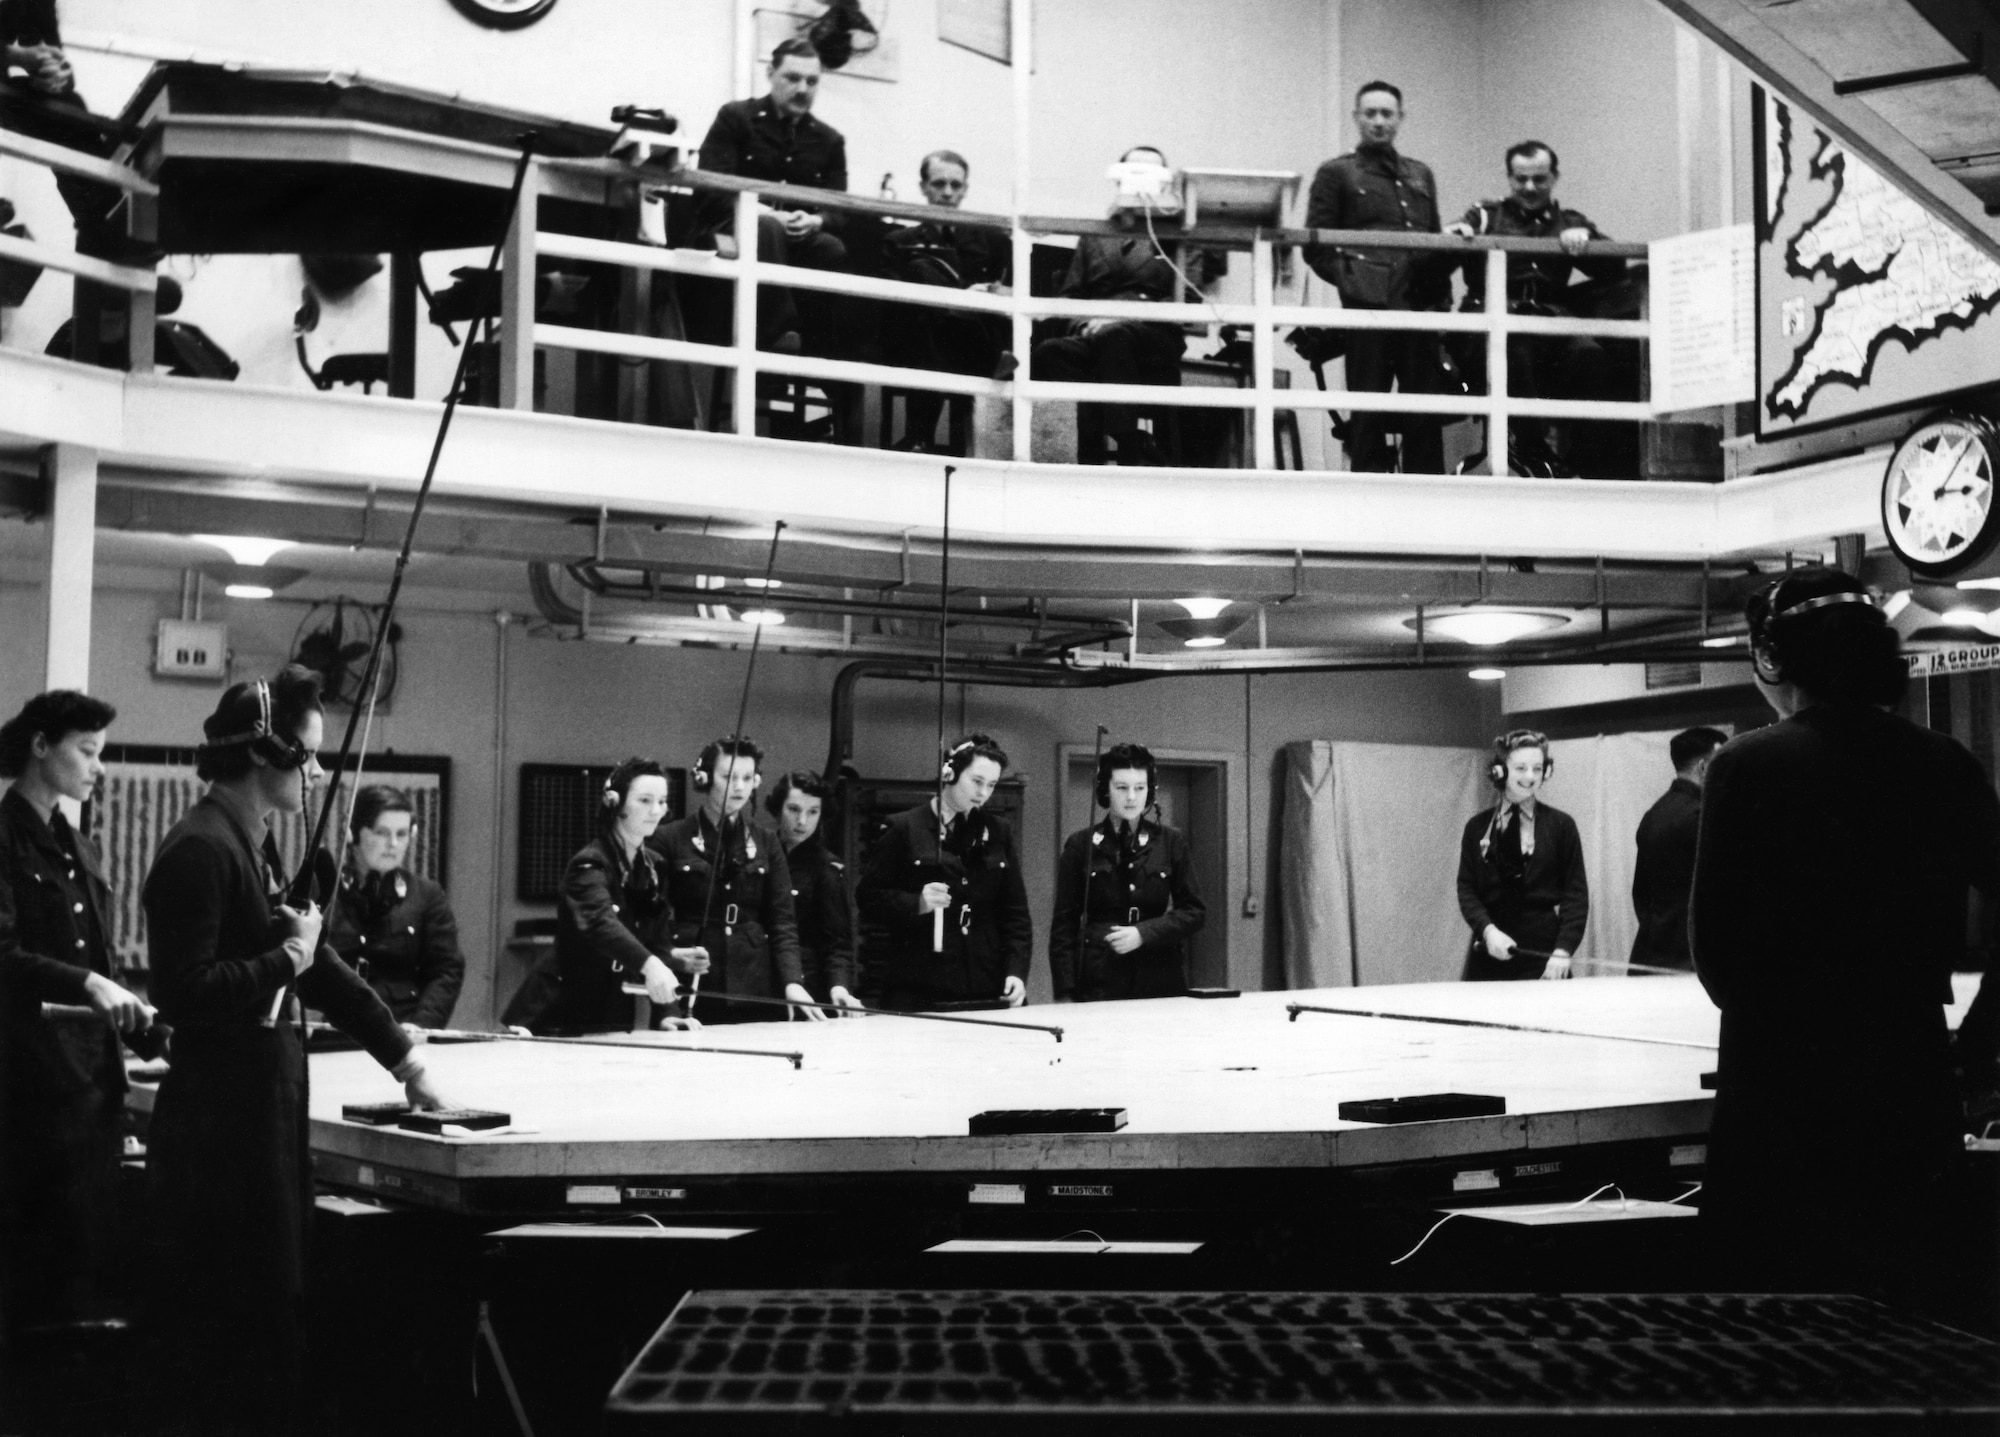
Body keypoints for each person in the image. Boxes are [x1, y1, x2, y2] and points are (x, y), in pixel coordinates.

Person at [141, 668, 447, 1433]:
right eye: (306, 757)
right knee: (232, 1341)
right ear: (262, 756)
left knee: (279, 1322)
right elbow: (186, 991)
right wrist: (288, 960)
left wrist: (406, 1061)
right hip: (219, 1139)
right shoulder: (199, 850)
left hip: (265, 1122)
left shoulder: (256, 844)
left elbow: (322, 970)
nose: (314, 773)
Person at [1690, 567, 1996, 1303]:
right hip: (1909, 1086)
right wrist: (1976, 1046)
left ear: (1773, 657)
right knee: (1914, 1337)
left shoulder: (1745, 766)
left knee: (1776, 1343)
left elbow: (1715, 953)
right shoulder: (1945, 763)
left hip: (1779, 1098)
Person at [0, 691, 150, 1348]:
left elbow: (103, 957)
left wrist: (140, 1024)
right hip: (29, 1082)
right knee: (36, 1272)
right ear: (41, 746)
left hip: (90, 1080)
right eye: (86, 751)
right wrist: (88, 984)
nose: (100, 768)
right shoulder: (4, 838)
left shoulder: (78, 847)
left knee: (90, 1255)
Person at [1444, 140, 1626, 474]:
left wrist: (1587, 242)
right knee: (1515, 341)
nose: (1529, 187)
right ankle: (1531, 445)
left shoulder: (1568, 221)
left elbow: (1616, 268)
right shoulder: (1485, 215)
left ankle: (1586, 463)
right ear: (1510, 178)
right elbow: (1436, 263)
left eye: (1539, 179)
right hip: (1491, 322)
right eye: (1521, 179)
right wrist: (1455, 238)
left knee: (1592, 356)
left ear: (1554, 178)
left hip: (1549, 322)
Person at [1304, 81, 1450, 474]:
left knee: (1425, 406)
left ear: (1401, 118)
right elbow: (1316, 246)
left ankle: (1429, 496)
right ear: (1357, 118)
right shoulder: (1337, 173)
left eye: (1387, 113)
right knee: (1368, 405)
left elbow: (1433, 240)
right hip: (1367, 307)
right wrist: (1357, 281)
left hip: (1418, 304)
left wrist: (1442, 299)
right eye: (1370, 113)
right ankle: (1366, 496)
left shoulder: (1420, 174)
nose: (1379, 121)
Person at [1031, 145, 1190, 466]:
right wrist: (1086, 320)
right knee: (1051, 352)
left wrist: (1118, 316)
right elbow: (1070, 295)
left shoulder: (1178, 238)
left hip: (1152, 334)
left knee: (1114, 338)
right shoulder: (1095, 236)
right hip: (1095, 330)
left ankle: (1125, 442)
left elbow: (1187, 295)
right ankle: (1103, 449)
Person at [529, 757, 710, 1035]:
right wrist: (651, 967)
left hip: (613, 1009)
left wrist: (668, 1012)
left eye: (661, 801)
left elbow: (657, 942)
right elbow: (601, 923)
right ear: (616, 803)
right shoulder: (589, 863)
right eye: (645, 800)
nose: (656, 811)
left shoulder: (654, 866)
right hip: (561, 1008)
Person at [695, 37, 849, 353]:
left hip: (794, 244)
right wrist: (766, 214)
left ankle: (821, 358)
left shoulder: (829, 140)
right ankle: (778, 336)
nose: (803, 89)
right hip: (730, 233)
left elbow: (840, 209)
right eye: (792, 78)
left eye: (812, 81)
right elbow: (711, 192)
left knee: (832, 248)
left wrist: (815, 221)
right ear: (770, 73)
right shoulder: (736, 117)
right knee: (766, 228)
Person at [857, 733, 1032, 1010]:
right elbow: (868, 898)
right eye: (976, 781)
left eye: (991, 785)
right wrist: (916, 902)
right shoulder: (904, 828)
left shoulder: (998, 832)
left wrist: (1016, 972)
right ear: (950, 774)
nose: (983, 793)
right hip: (921, 985)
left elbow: (1015, 914)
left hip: (986, 982)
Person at [651, 736, 815, 1024]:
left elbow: (783, 921)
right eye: (728, 777)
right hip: (693, 978)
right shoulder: (671, 837)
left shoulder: (766, 842)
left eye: (747, 777)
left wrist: (793, 981)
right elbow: (652, 917)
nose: (739, 787)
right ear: (704, 779)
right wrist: (670, 955)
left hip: (753, 980)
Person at [1049, 742, 1206, 1002]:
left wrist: (1143, 933)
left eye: (1140, 788)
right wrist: (1064, 993)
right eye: (1122, 788)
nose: (1132, 797)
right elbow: (1063, 925)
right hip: (1099, 981)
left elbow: (1195, 912)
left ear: (1150, 791)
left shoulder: (1170, 841)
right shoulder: (1081, 844)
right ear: (1105, 790)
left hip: (1159, 979)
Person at [881, 148, 1013, 453]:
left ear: (965, 189)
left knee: (940, 328)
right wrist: (962, 297)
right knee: (920, 271)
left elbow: (1010, 292)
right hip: (920, 341)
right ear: (924, 187)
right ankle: (926, 436)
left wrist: (990, 291)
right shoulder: (899, 241)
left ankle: (918, 434)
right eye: (939, 184)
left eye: (956, 185)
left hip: (971, 344)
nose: (947, 193)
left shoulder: (991, 240)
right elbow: (892, 303)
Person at [324, 785, 465, 1029]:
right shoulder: (327, 891)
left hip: (402, 1028)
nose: (392, 844)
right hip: (334, 1028)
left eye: (401, 834)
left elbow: (446, 970)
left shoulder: (426, 895)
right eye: (381, 832)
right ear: (352, 832)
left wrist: (423, 1024)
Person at [1456, 729, 1588, 981]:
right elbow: (1467, 889)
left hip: (1546, 955)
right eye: (1521, 768)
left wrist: (1563, 950)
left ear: (1546, 771)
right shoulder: (1477, 828)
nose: (1530, 776)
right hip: (1489, 952)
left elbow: (1576, 895)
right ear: (1500, 771)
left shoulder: (1562, 825)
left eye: (1537, 769)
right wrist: (1488, 931)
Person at [1628, 726, 1726, 975]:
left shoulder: (1653, 815)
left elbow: (1640, 893)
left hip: (1650, 951)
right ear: (1704, 768)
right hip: (1694, 956)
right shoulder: (1704, 817)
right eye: (1722, 763)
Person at [767, 769, 859, 1013]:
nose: (802, 822)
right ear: (778, 809)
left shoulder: (828, 869)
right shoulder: (760, 856)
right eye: (794, 809)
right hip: (759, 981)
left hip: (808, 989)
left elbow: (838, 945)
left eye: (812, 812)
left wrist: (839, 987)